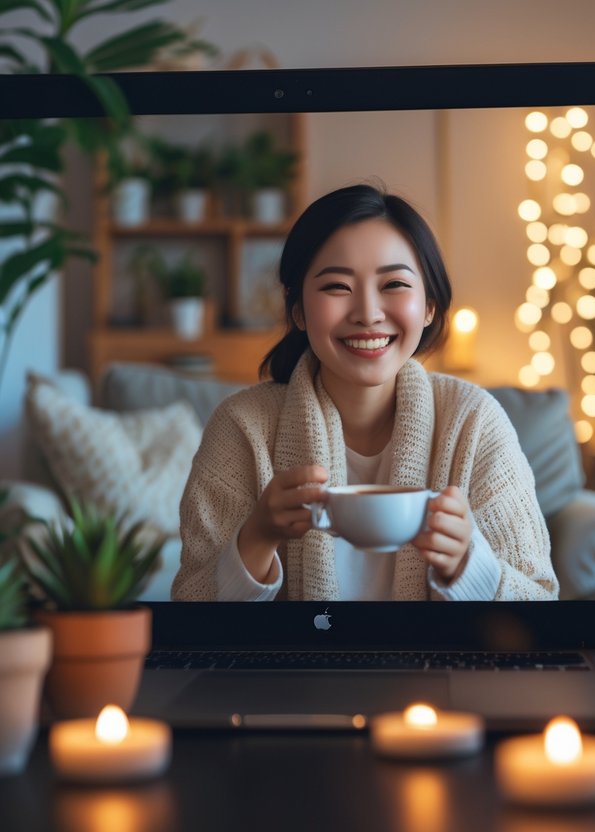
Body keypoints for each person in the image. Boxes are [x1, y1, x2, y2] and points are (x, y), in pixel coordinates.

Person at [172, 184, 557, 601]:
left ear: (429, 305)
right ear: (298, 309)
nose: (368, 313)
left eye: (393, 284)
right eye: (337, 287)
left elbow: (540, 601)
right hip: (295, 667)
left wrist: (468, 564)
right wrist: (258, 536)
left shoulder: (475, 422)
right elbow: (192, 602)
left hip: (435, 664)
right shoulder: (241, 427)